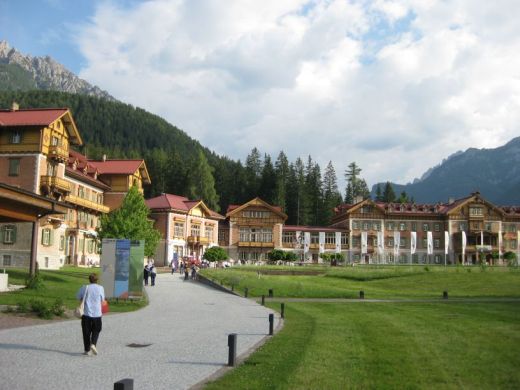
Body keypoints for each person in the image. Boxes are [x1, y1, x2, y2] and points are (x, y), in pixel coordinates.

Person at [76, 273, 105, 356]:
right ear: (97, 280)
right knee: (97, 329)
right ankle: (93, 344)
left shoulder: (84, 287)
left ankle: (87, 350)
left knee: (86, 332)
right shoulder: (100, 288)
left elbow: (78, 297)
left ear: (89, 280)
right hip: (97, 313)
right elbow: (102, 299)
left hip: (86, 313)